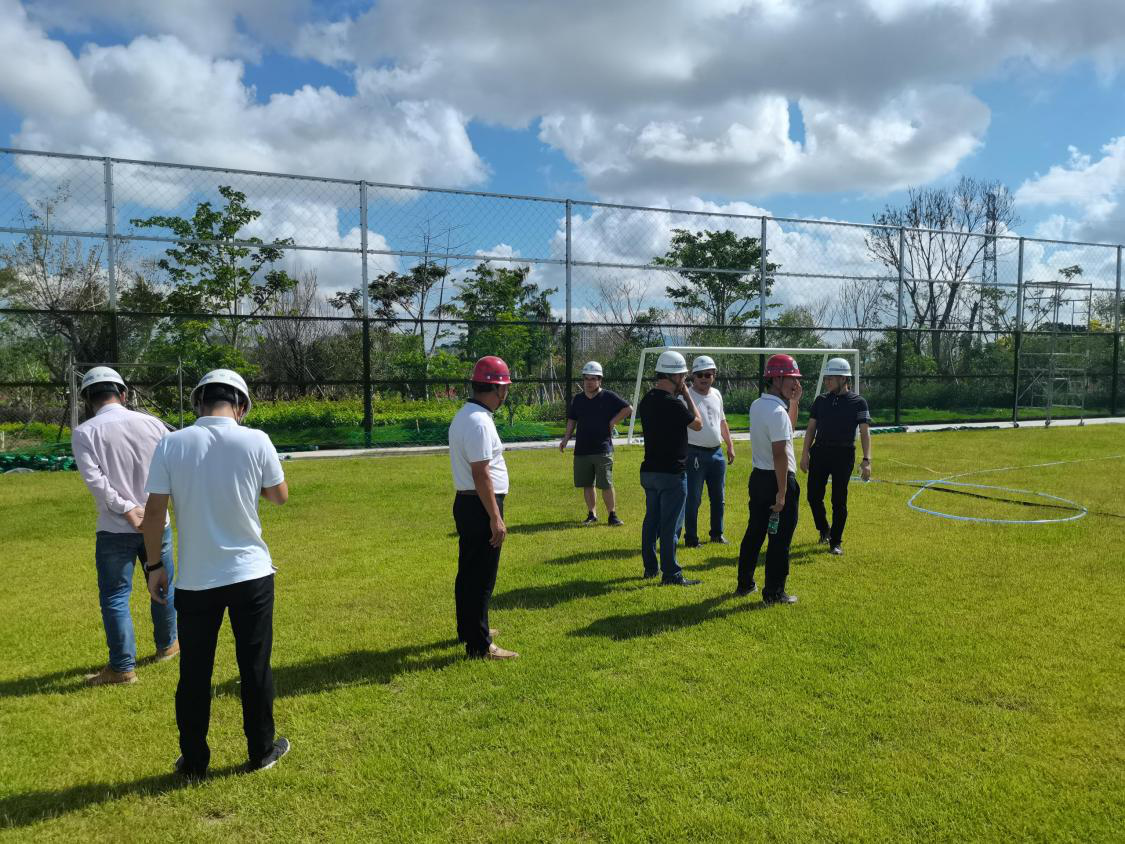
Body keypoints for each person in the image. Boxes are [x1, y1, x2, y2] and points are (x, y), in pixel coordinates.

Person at [142, 369, 290, 779]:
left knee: (194, 672)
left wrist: (155, 565)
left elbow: (154, 512)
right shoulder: (256, 440)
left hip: (196, 579)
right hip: (251, 574)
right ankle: (261, 751)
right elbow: (279, 496)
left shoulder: (172, 442)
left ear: (199, 403)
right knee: (254, 666)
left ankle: (194, 761)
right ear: (241, 406)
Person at [71, 366, 178, 686]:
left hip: (114, 528)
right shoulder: (153, 424)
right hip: (157, 522)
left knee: (115, 596)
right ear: (123, 393)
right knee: (163, 585)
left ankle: (122, 667)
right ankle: (167, 645)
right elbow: (171, 468)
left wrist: (126, 508)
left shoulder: (85, 433)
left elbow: (96, 482)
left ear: (88, 399)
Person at [448, 356, 518, 660]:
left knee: (469, 572)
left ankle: (470, 628)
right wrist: (495, 517)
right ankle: (479, 644)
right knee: (481, 577)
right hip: (480, 505)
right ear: (498, 389)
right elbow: (481, 473)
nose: (506, 394)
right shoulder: (479, 422)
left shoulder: (466, 415)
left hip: (469, 502)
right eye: (506, 388)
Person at [736, 354, 803, 604]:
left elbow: (788, 431)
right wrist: (783, 493)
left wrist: (794, 403)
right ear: (776, 379)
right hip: (778, 480)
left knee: (754, 532)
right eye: (790, 378)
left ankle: (745, 583)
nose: (795, 383)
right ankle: (774, 592)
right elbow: (780, 454)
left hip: (759, 479)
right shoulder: (777, 412)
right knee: (780, 539)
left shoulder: (758, 405)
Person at [636, 350, 704, 586]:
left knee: (651, 521)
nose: (685, 381)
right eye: (683, 377)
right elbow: (698, 424)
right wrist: (687, 395)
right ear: (673, 376)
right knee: (670, 525)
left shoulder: (647, 400)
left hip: (649, 471)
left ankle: (650, 568)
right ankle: (671, 573)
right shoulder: (673, 403)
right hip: (672, 472)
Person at [800, 357, 872, 556]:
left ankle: (836, 542)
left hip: (844, 454)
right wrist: (805, 454)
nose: (827, 382)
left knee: (839, 500)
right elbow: (811, 429)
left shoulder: (858, 402)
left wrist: (867, 460)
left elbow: (865, 432)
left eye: (830, 378)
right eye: (826, 378)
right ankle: (824, 530)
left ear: (843, 378)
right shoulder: (821, 401)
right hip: (820, 452)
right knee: (813, 496)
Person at [559, 360, 632, 526]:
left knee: (606, 483)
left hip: (602, 448)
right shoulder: (578, 399)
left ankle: (612, 515)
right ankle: (592, 514)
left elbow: (628, 409)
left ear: (600, 380)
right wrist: (566, 438)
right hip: (582, 449)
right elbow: (572, 419)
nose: (589, 382)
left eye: (593, 378)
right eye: (586, 378)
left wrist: (613, 422)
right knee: (587, 484)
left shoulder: (608, 396)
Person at [683, 355, 735, 547]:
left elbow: (722, 421)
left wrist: (729, 445)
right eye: (699, 375)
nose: (704, 378)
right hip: (694, 454)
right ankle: (691, 538)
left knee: (719, 498)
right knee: (693, 498)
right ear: (693, 376)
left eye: (708, 374)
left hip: (716, 453)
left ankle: (717, 534)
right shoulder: (686, 397)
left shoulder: (716, 394)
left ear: (714, 375)